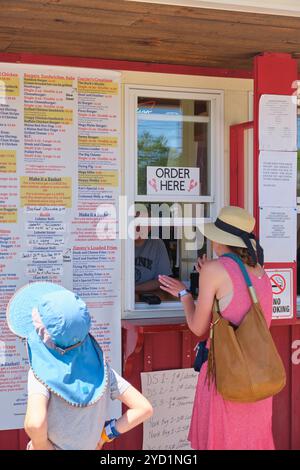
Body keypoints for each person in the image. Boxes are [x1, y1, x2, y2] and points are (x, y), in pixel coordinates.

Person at [159, 206, 275, 450]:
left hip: (225, 373)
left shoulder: (213, 269)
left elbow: (197, 327)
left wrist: (183, 293)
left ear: (219, 240)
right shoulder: (261, 272)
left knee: (221, 440)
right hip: (258, 375)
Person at [6, 282, 153, 450]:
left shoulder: (41, 374)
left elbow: (35, 424)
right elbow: (144, 408)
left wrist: (42, 446)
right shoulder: (102, 370)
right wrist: (105, 434)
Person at [135, 211, 172, 294]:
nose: (139, 227)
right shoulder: (120, 245)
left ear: (150, 227)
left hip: (150, 298)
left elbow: (163, 280)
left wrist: (134, 289)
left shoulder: (157, 244)